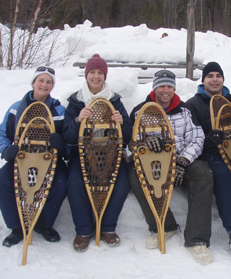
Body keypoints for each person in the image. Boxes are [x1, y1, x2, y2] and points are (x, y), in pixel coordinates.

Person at [129, 70, 214, 264]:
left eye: (169, 86)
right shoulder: (140, 111)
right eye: (161, 86)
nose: (165, 90)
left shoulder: (185, 111)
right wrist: (144, 142)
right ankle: (165, 226)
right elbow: (130, 143)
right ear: (155, 88)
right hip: (154, 162)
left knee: (203, 175)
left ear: (174, 88)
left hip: (183, 159)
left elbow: (197, 138)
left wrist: (183, 161)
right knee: (136, 174)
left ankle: (196, 238)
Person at [0, 66, 68, 247]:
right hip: (21, 158)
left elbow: (69, 139)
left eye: (49, 82)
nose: (44, 84)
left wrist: (61, 144)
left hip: (49, 161)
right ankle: (16, 227)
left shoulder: (58, 111)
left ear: (52, 86)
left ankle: (44, 224)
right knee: (0, 182)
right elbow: (2, 134)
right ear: (34, 82)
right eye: (41, 80)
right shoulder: (15, 108)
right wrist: (6, 150)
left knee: (61, 183)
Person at [62, 54, 131, 252]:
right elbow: (67, 135)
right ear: (86, 75)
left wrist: (121, 123)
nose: (96, 76)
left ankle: (108, 228)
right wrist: (77, 121)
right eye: (92, 72)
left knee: (121, 181)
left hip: (111, 154)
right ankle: (83, 230)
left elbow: (127, 135)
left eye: (100, 72)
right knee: (75, 182)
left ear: (104, 76)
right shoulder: (76, 101)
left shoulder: (115, 100)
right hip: (83, 154)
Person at [186, 62, 231, 254]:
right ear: (203, 80)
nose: (214, 79)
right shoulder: (193, 105)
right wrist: (209, 142)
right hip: (209, 155)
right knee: (222, 173)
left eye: (218, 76)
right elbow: (190, 137)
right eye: (210, 76)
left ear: (223, 79)